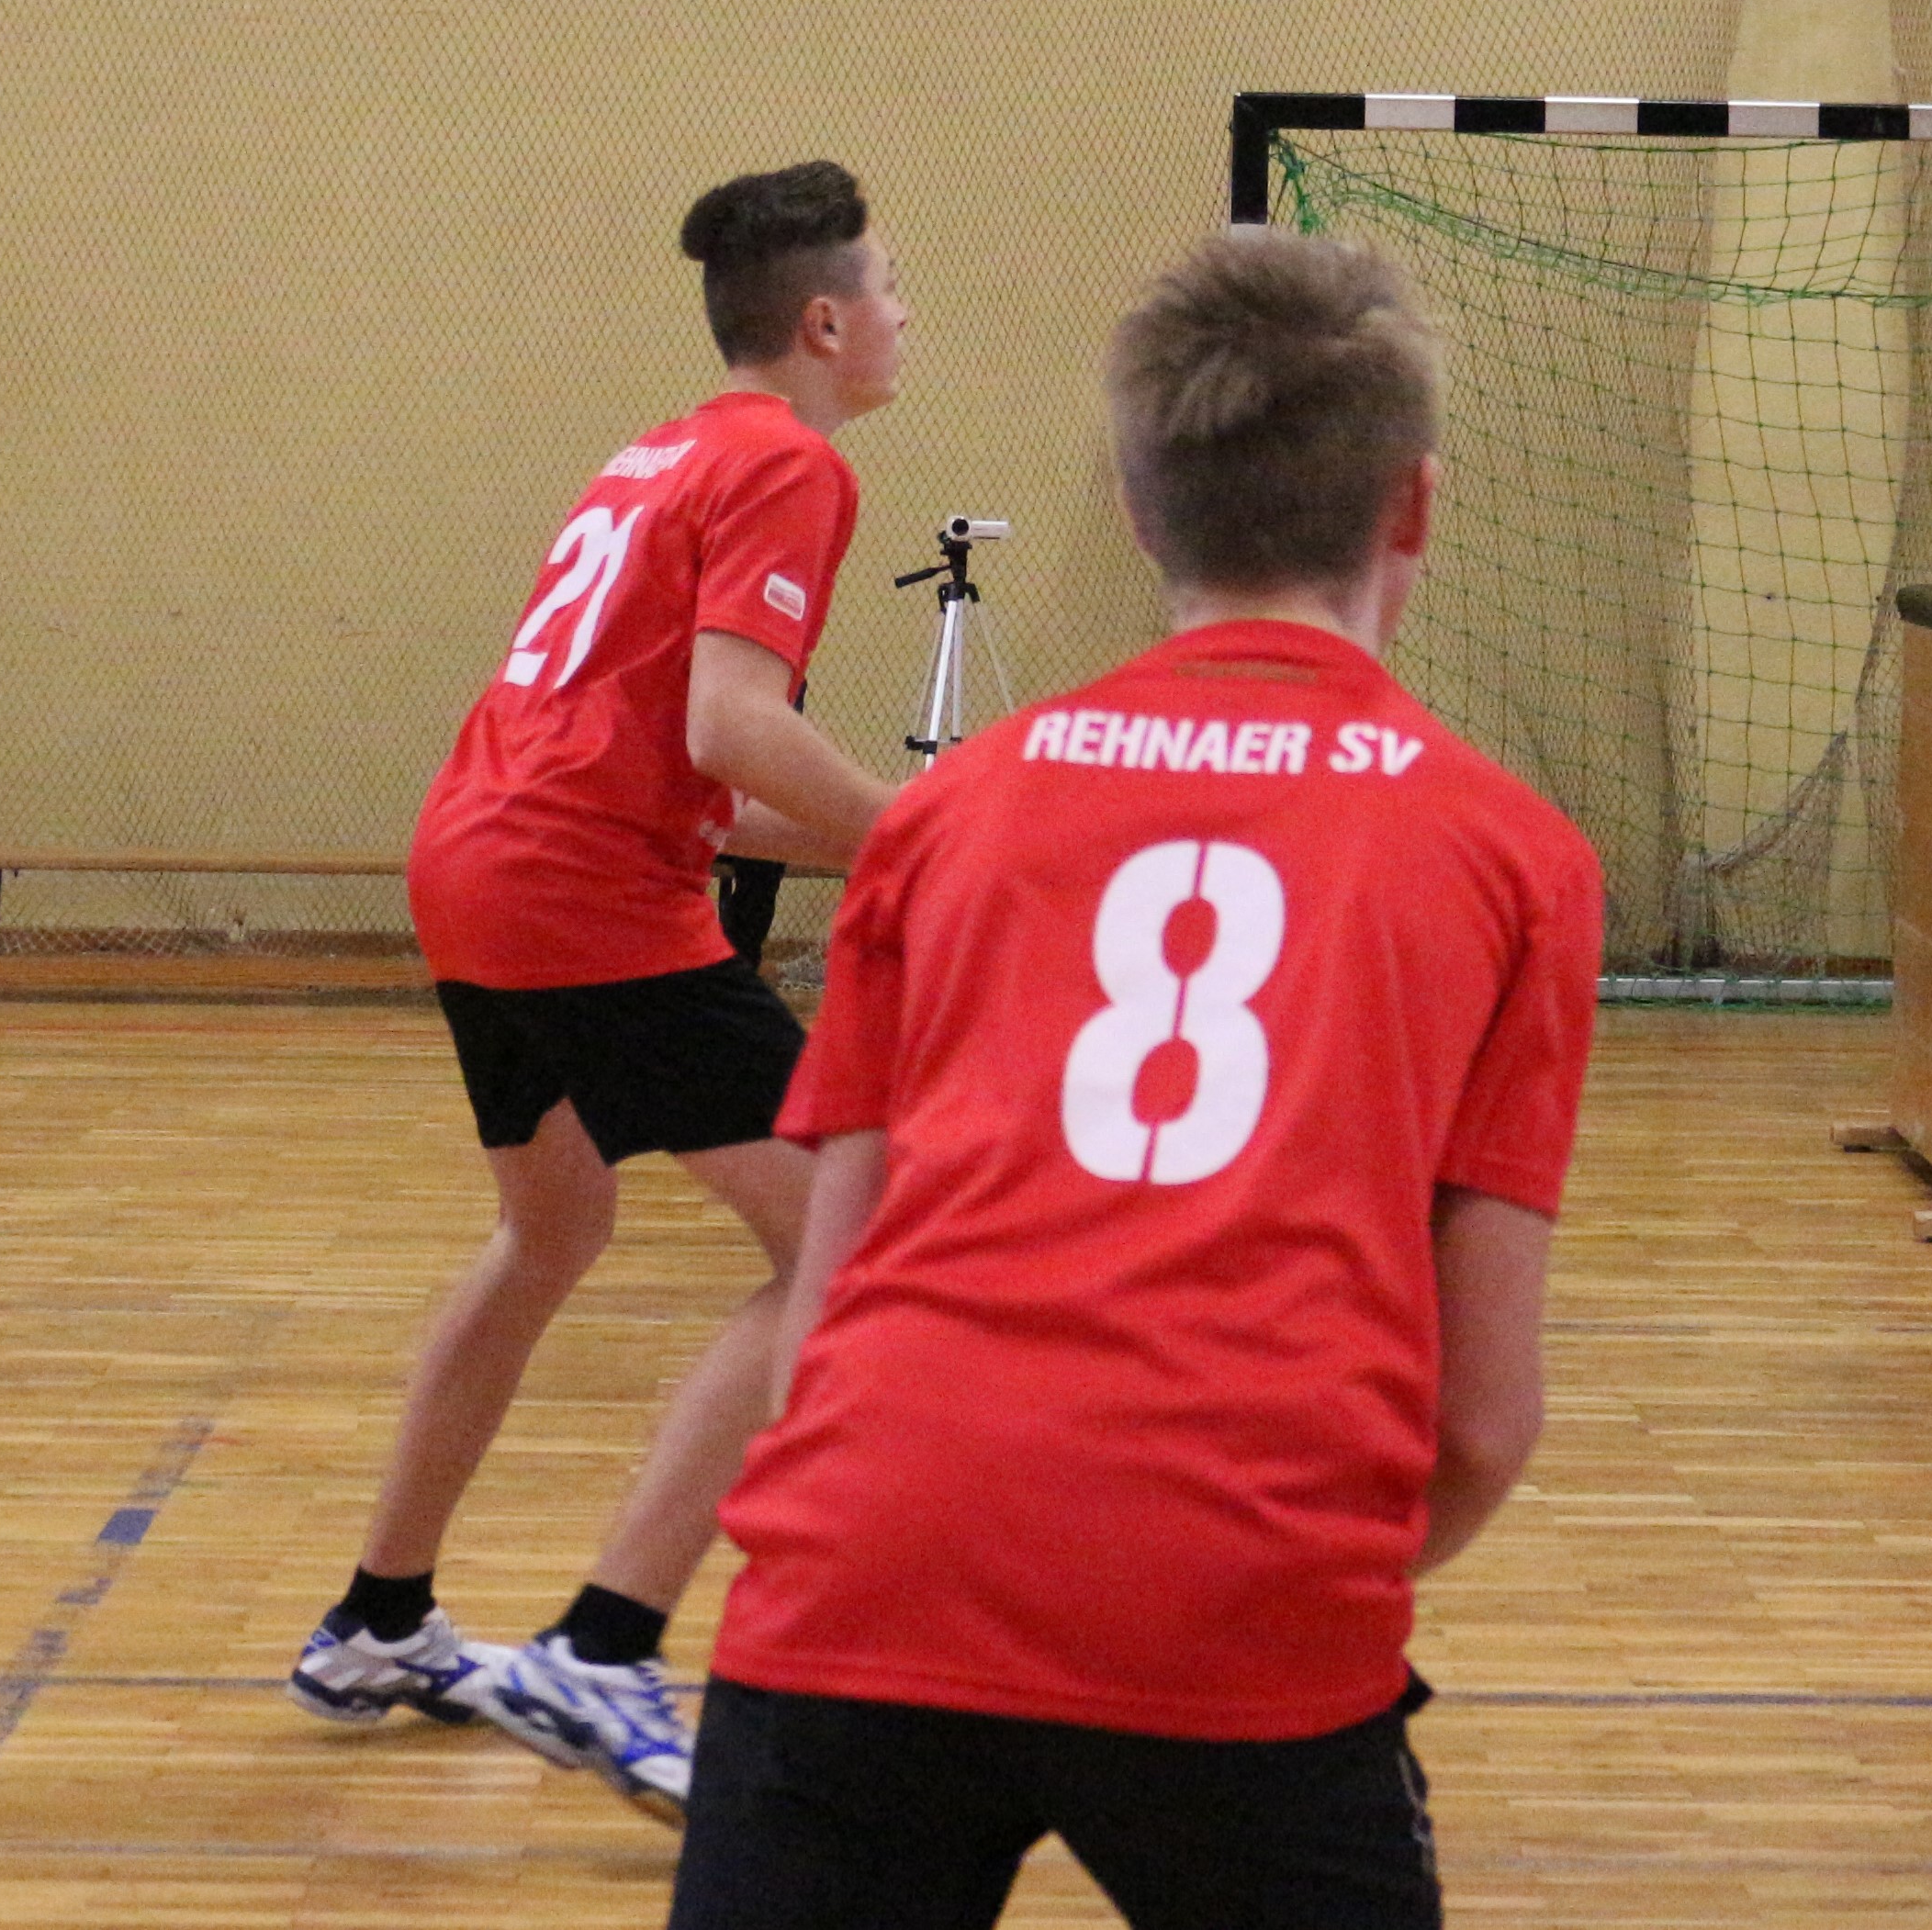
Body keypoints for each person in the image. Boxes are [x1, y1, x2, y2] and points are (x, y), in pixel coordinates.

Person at [668, 230, 1604, 1930]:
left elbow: (823, 1318)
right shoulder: (1511, 855)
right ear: (1414, 504)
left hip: (869, 1566)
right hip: (1242, 1589)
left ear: (1134, 505)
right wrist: (1251, 1568)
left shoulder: (940, 821)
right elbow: (1480, 1419)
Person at [289, 159, 911, 1824]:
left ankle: (379, 1619)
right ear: (826, 320)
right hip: (579, 895)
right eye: (892, 288)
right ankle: (603, 1647)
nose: (905, 317)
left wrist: (914, 843)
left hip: (475, 860)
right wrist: (928, 832)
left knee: (552, 1229)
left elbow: (689, 774)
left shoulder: (658, 454)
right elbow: (732, 727)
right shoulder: (790, 465)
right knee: (849, 1242)